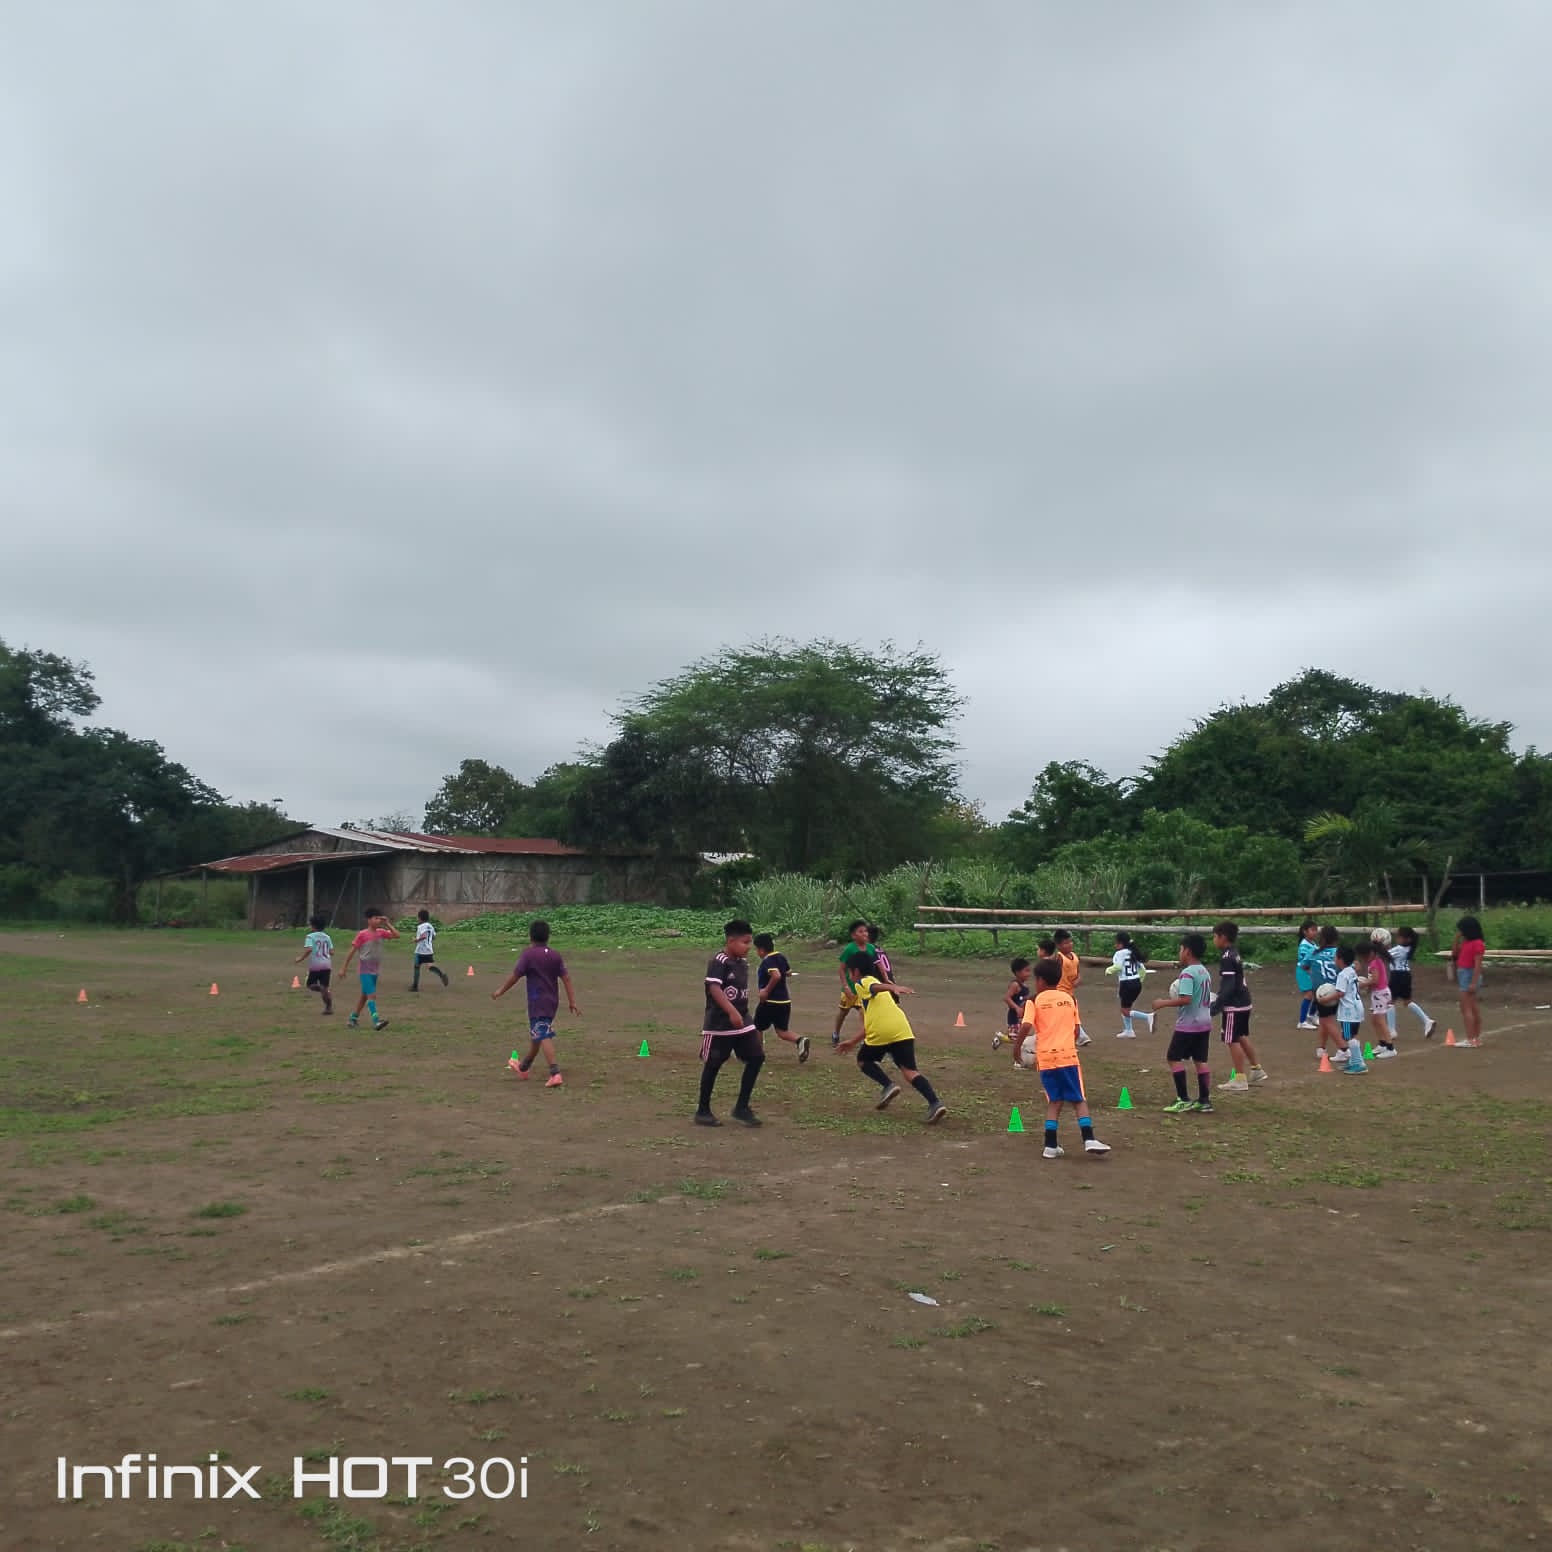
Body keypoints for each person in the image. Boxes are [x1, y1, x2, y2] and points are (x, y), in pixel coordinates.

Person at [835, 962, 947, 1125]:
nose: (848, 976)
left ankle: (888, 1086)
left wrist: (892, 987)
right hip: (902, 1029)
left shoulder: (863, 983)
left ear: (856, 971)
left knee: (863, 1060)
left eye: (849, 972)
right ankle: (935, 1103)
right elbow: (869, 1024)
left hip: (882, 1031)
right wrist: (852, 1042)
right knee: (910, 1071)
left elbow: (873, 987)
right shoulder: (873, 992)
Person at [1020, 957, 1110, 1158]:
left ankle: (1050, 1145)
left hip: (1046, 1060)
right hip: (1067, 1057)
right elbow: (1076, 1031)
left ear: (1040, 981)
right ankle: (1088, 1138)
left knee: (1055, 1101)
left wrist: (1017, 1050)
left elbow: (1026, 1026)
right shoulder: (1070, 999)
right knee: (1078, 1100)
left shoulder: (1033, 1001)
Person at [493, 919, 579, 1088]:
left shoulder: (528, 955)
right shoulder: (555, 955)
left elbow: (515, 976)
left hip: (537, 1001)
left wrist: (500, 991)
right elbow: (566, 978)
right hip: (552, 1001)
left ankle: (555, 1073)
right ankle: (524, 1067)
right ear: (548, 937)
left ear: (530, 936)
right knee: (538, 1034)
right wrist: (572, 1001)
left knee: (542, 1034)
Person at [696, 919, 765, 1127]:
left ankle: (741, 1108)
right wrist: (731, 1011)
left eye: (750, 942)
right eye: (745, 942)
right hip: (719, 1025)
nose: (749, 947)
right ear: (731, 941)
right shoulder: (719, 961)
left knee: (756, 1057)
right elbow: (714, 988)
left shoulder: (742, 963)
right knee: (713, 1065)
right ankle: (703, 1110)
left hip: (743, 1022)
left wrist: (740, 1014)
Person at [1152, 934, 1214, 1113]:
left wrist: (1163, 1003)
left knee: (1173, 1058)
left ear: (1187, 951)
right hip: (1204, 1022)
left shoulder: (1187, 973)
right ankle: (1204, 1100)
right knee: (1200, 1060)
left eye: (1181, 949)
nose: (1180, 952)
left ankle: (1183, 1099)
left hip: (1188, 1024)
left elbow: (1186, 999)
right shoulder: (1204, 971)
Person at [1212, 921, 1266, 1091]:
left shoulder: (1226, 958)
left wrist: (1217, 1005)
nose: (1214, 940)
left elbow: (1228, 985)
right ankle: (1256, 1069)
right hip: (1244, 1002)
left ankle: (1240, 1079)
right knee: (1240, 1036)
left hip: (1234, 1005)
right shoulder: (1234, 953)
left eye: (1215, 936)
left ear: (1223, 937)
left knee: (1231, 1040)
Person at [338, 909, 398, 1031]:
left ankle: (353, 1018)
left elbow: (397, 935)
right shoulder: (362, 934)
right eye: (376, 918)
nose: (378, 920)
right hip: (365, 970)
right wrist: (343, 968)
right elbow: (351, 952)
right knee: (371, 995)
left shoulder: (381, 932)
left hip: (375, 971)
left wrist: (387, 923)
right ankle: (376, 1021)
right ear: (369, 920)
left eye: (379, 918)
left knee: (364, 996)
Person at [754, 932, 809, 1062]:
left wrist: (766, 991)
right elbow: (788, 972)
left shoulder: (767, 960)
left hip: (770, 1001)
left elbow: (777, 975)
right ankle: (800, 1040)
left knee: (756, 1027)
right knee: (781, 1031)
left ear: (761, 949)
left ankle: (757, 1054)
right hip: (784, 1001)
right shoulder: (780, 957)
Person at [831, 920, 876, 1047]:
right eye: (860, 931)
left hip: (863, 989)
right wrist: (846, 987)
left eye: (865, 931)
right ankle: (836, 1033)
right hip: (850, 988)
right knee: (843, 1012)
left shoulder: (871, 948)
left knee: (864, 1013)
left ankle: (864, 1039)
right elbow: (841, 969)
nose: (865, 934)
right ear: (853, 935)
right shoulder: (850, 949)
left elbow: (874, 966)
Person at [1388, 925, 1437, 1039]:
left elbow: (1385, 955)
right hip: (1406, 975)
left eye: (1399, 936)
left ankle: (1391, 1031)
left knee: (1389, 1002)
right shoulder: (1408, 948)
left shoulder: (1399, 949)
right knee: (1407, 1001)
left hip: (1397, 975)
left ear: (1407, 939)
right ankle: (1427, 1021)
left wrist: (1378, 945)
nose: (1397, 938)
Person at [1108, 932, 1153, 1039]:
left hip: (1126, 984)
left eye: (1116, 943)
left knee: (1125, 1010)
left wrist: (1108, 970)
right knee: (1125, 1007)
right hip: (1136, 983)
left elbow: (1118, 967)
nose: (1115, 945)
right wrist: (1138, 981)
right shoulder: (1133, 952)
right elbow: (1143, 970)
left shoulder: (1119, 954)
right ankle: (1129, 1030)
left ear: (1120, 943)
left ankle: (1148, 1017)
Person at [1051, 929, 1092, 1047]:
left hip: (1069, 992)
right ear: (1058, 946)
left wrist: (1078, 980)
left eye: (1070, 942)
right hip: (1059, 991)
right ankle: (1080, 1036)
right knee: (1068, 1014)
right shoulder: (1058, 958)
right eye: (1065, 943)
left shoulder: (1074, 956)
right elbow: (1051, 972)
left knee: (1069, 1015)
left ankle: (1077, 1036)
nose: (1069, 944)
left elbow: (1078, 973)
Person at [1452, 915, 1486, 1046]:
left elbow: (1478, 965)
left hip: (1469, 975)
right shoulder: (1467, 942)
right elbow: (1455, 953)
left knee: (1466, 1008)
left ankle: (1471, 1038)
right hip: (1464, 974)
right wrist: (1456, 939)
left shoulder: (1477, 943)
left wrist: (1473, 982)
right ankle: (1475, 1038)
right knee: (1472, 1007)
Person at [1362, 936, 1397, 1058]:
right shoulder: (1376, 961)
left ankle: (1390, 1047)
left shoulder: (1374, 963)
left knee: (1380, 1021)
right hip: (1379, 993)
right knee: (1375, 1020)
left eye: (1364, 956)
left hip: (1380, 994)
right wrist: (1368, 987)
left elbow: (1375, 980)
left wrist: (1362, 984)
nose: (1363, 959)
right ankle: (1382, 1044)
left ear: (1371, 953)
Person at [1333, 944, 1366, 1071]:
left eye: (1335, 957)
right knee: (1353, 1035)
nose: (1334, 959)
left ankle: (1359, 1064)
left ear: (1340, 959)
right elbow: (1356, 966)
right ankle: (1354, 1061)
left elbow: (1340, 993)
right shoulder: (1351, 971)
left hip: (1348, 1011)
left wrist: (1325, 999)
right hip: (1357, 1008)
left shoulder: (1342, 975)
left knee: (1348, 1037)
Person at [293, 913, 334, 1015]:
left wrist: (300, 958)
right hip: (327, 965)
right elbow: (332, 952)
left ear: (313, 926)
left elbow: (309, 949)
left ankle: (321, 989)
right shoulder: (327, 937)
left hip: (315, 965)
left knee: (310, 985)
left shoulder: (310, 937)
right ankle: (328, 1007)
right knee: (325, 988)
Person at [992, 958, 1033, 1052]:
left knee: (1019, 1036)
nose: (1029, 974)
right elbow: (1007, 998)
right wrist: (1017, 1008)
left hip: (1022, 1016)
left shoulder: (1025, 986)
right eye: (1026, 971)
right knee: (1016, 1039)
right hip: (1014, 1016)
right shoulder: (1015, 985)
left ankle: (1002, 1039)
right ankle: (1001, 1038)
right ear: (1018, 972)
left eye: (1029, 971)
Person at [409, 908, 450, 991]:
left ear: (420, 918)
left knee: (417, 967)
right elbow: (433, 937)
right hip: (429, 950)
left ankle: (415, 987)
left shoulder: (421, 926)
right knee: (430, 966)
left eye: (418, 917)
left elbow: (424, 936)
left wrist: (415, 940)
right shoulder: (430, 926)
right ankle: (441, 975)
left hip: (420, 951)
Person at [1295, 918, 1321, 1030]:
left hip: (1311, 972)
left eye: (1316, 930)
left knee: (1316, 994)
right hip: (1304, 972)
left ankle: (1312, 1015)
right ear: (1305, 932)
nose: (1315, 932)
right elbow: (1305, 961)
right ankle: (1302, 1021)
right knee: (1309, 995)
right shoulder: (1304, 945)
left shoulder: (1312, 943)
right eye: (1312, 930)